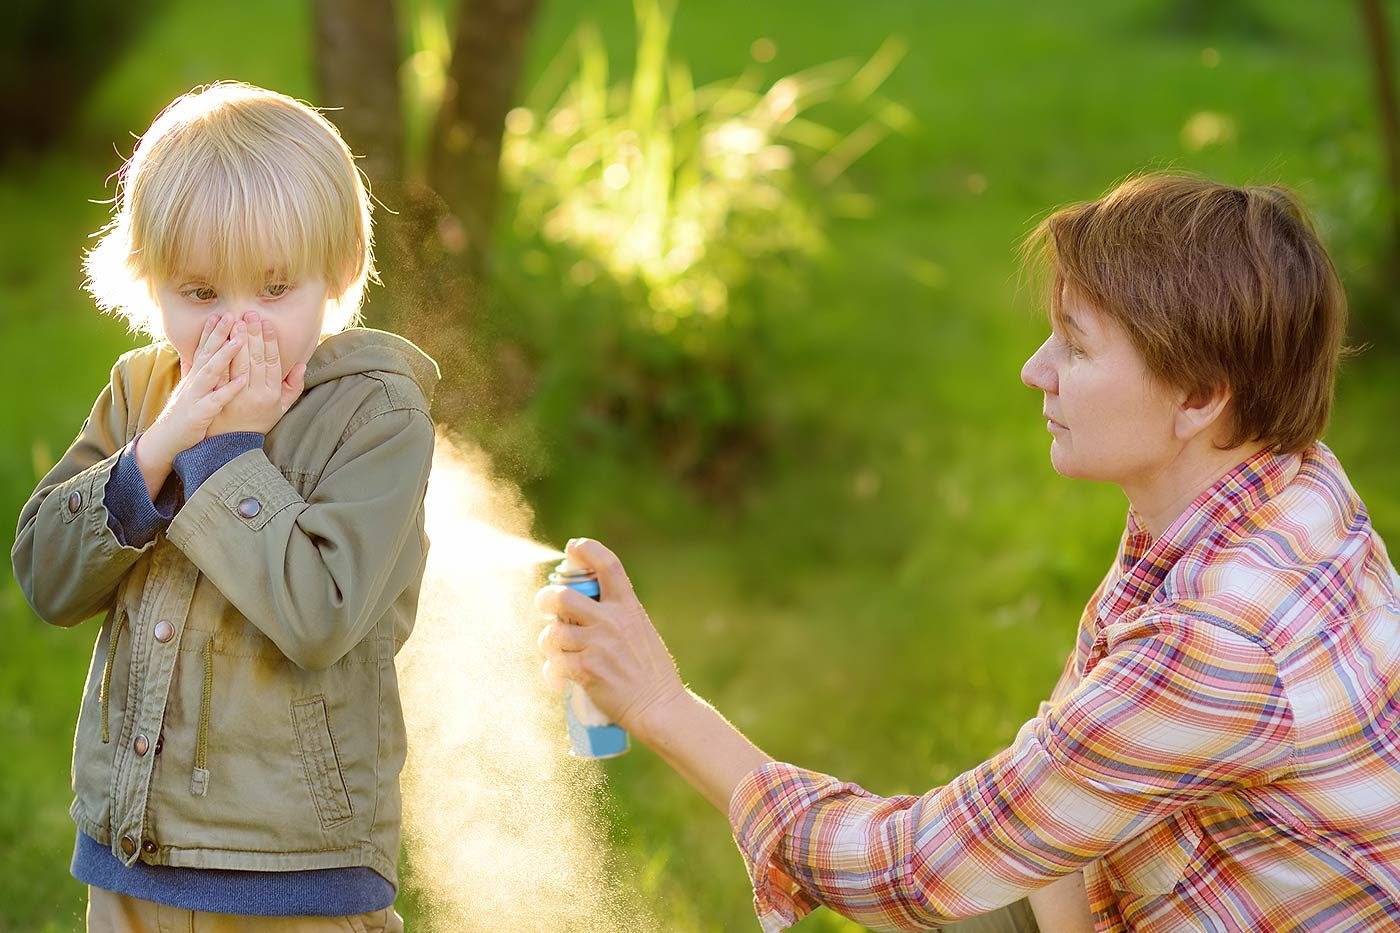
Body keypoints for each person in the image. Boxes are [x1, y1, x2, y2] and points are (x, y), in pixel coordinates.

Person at [535, 173, 1400, 932]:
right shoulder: (1290, 485)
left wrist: (658, 701)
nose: (1034, 369)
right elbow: (1053, 795)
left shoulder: (1215, 640)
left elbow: (910, 870)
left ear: (1203, 395)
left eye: (1077, 345)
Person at [12, 82, 438, 931]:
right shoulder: (143, 394)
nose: (237, 327)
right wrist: (158, 449)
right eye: (201, 294)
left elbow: (318, 615)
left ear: (339, 271)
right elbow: (46, 578)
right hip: (132, 859)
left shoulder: (378, 414)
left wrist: (223, 453)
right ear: (151, 283)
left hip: (297, 873)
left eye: (275, 288)